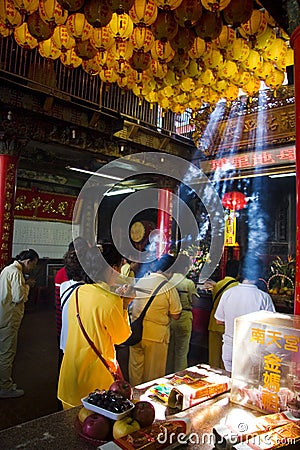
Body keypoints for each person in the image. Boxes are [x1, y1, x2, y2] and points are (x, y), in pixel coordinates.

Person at [57, 244, 133, 409]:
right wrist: (125, 305)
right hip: (95, 383)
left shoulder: (79, 291)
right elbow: (121, 338)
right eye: (120, 267)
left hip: (70, 376)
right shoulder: (111, 300)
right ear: (112, 269)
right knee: (92, 429)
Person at [214, 255, 276, 373]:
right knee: (249, 386)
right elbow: (271, 326)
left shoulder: (228, 293)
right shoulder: (263, 297)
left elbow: (219, 320)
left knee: (232, 382)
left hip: (230, 348)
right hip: (252, 351)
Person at [128, 254, 182, 386]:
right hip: (156, 337)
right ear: (170, 271)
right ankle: (148, 401)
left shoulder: (142, 280)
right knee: (153, 373)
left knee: (136, 369)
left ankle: (133, 396)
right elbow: (176, 314)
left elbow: (131, 303)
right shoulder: (168, 287)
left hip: (136, 332)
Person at [0, 248, 39, 398]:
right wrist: (27, 285)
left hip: (3, 314)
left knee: (3, 351)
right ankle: (5, 387)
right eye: (33, 265)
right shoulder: (16, 272)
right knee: (7, 353)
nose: (32, 268)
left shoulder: (8, 269)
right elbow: (18, 297)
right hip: (9, 317)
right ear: (27, 262)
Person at [166, 253, 198, 374]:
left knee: (169, 350)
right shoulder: (188, 283)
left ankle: (167, 374)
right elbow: (194, 301)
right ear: (185, 268)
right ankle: (179, 376)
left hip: (169, 318)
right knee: (181, 350)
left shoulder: (168, 281)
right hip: (184, 317)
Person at [205, 259, 239, 369]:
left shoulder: (218, 284)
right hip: (227, 325)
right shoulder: (236, 287)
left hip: (214, 322)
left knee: (214, 355)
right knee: (225, 357)